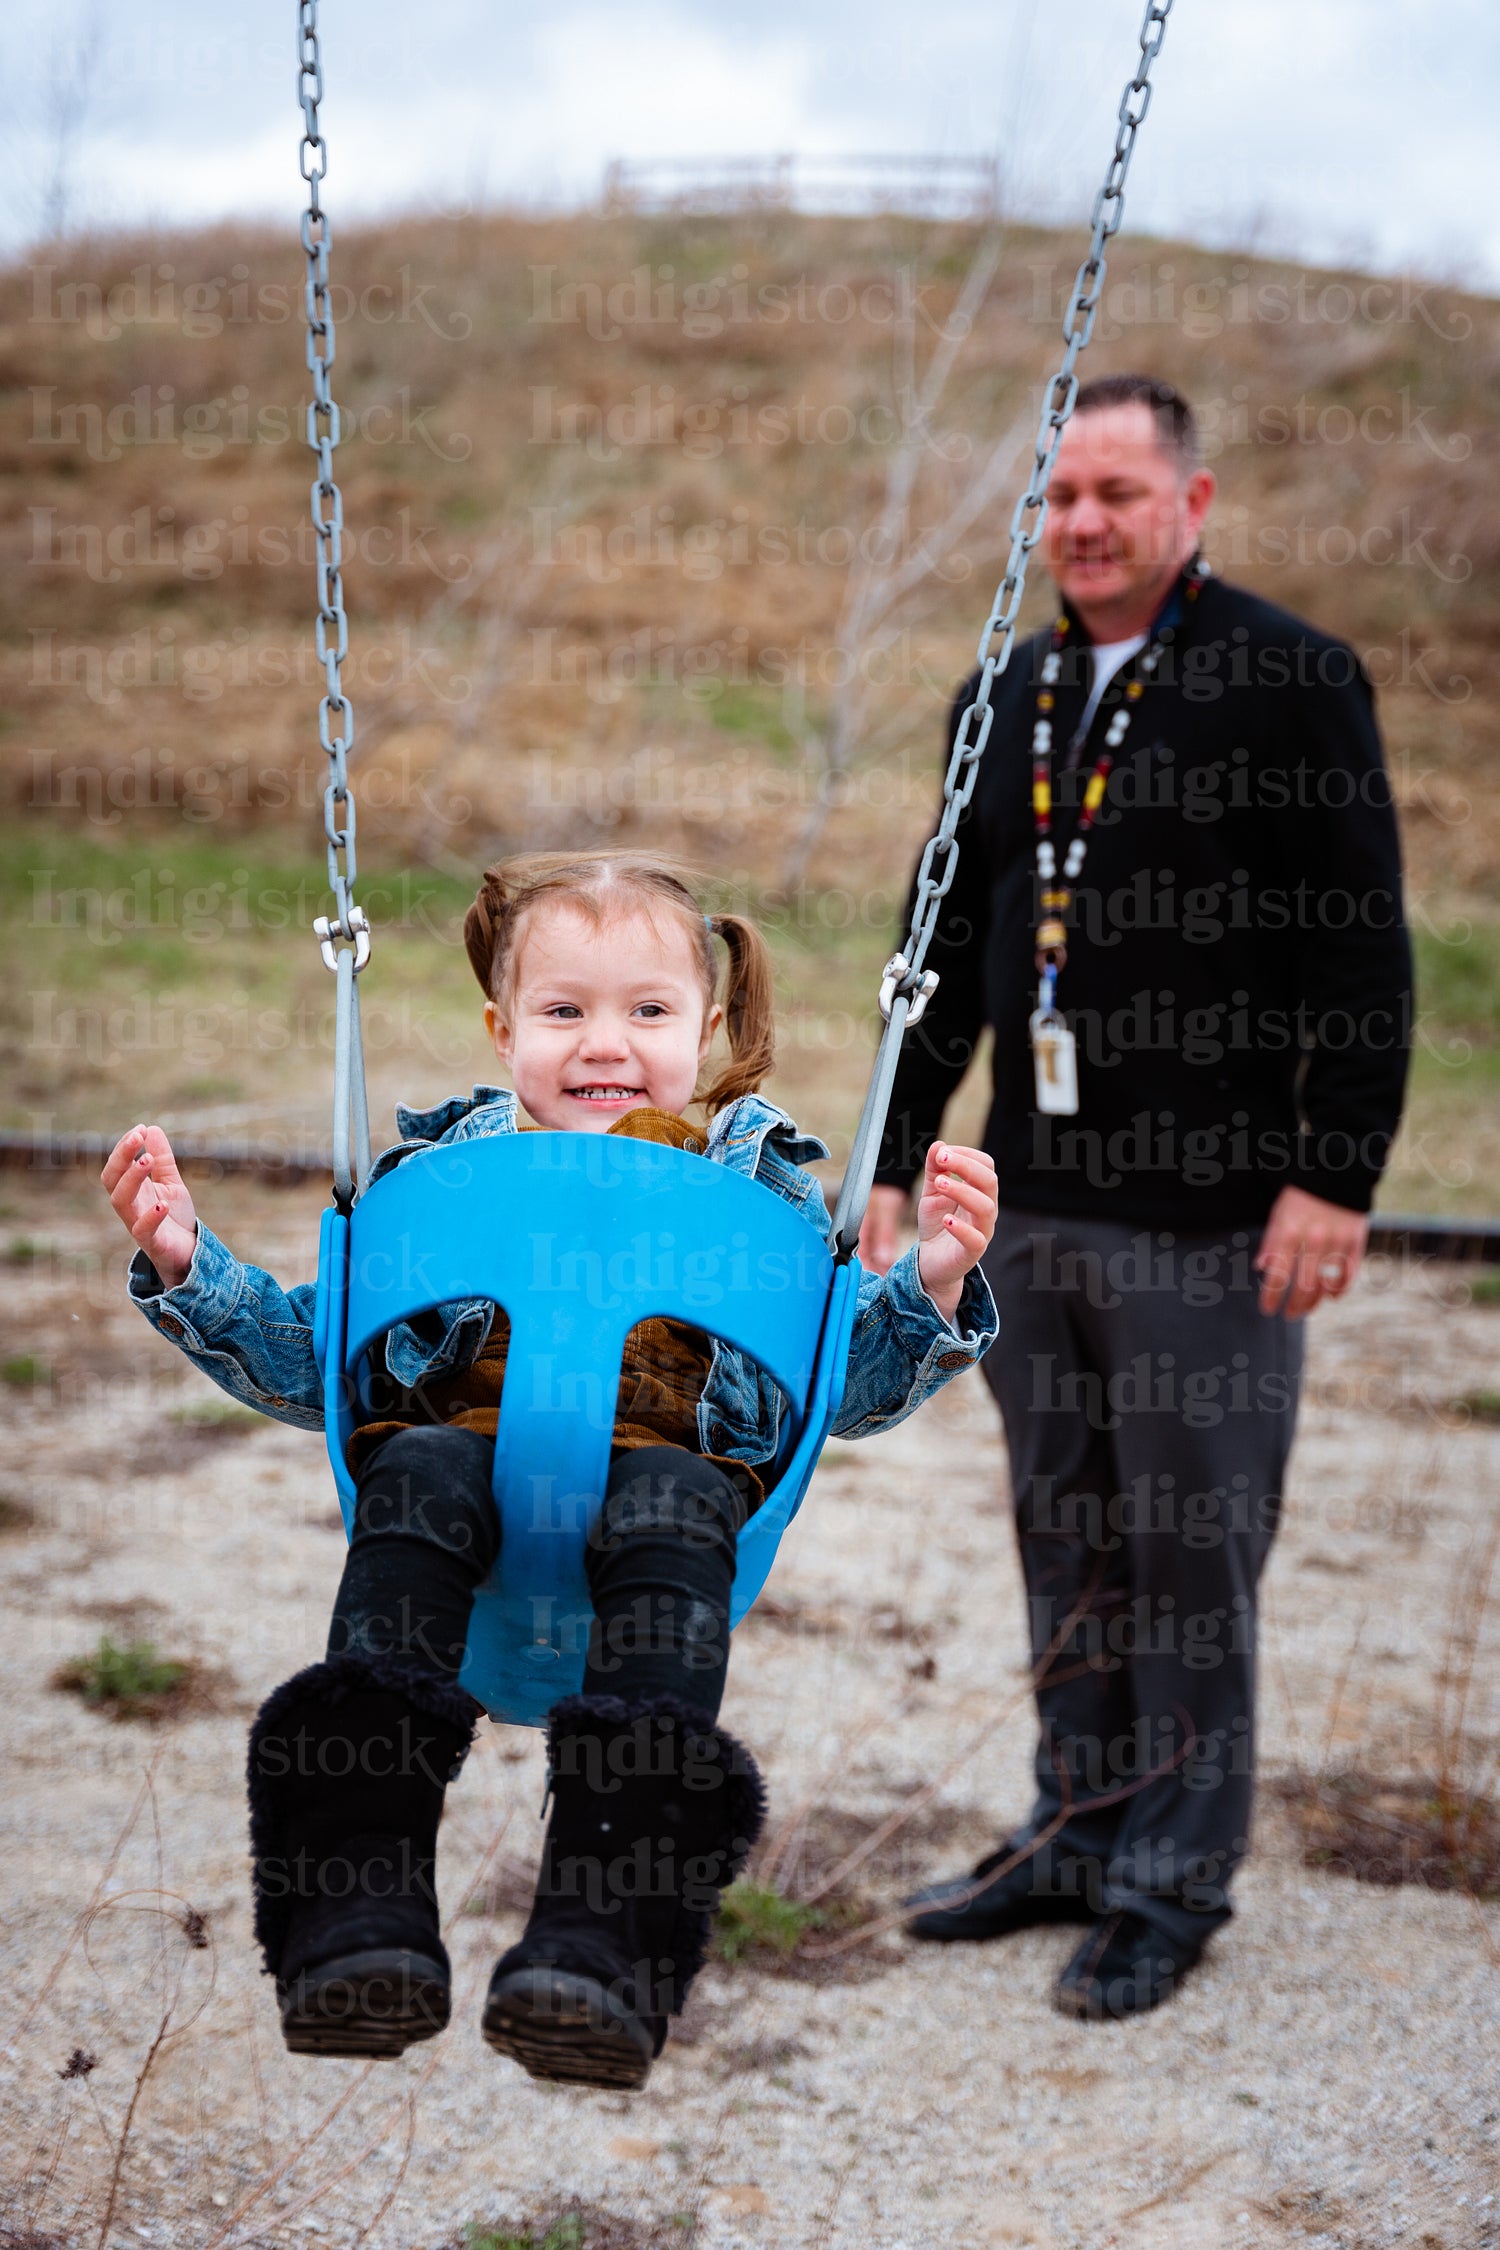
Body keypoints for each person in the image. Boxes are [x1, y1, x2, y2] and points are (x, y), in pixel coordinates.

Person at [103, 851, 999, 2089]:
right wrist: (192, 1263)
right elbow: (323, 1367)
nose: (605, 1044)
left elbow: (832, 1396)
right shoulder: (437, 1170)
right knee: (414, 1459)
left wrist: (932, 1286)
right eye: (564, 1010)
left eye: (648, 1011)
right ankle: (351, 1917)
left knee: (681, 1495)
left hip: (663, 1519)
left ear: (709, 1025)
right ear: (501, 1025)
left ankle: (604, 1948)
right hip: (459, 1500)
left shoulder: (761, 1185)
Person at [861, 373, 1412, 2020]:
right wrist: (896, 1152)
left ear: (1194, 502)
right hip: (1032, 1207)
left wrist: (1337, 1168)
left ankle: (1174, 1879)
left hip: (1215, 1217)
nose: (1083, 522)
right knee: (1068, 1538)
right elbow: (942, 946)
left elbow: (1360, 945)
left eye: (1116, 491)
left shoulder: (1290, 679)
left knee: (1189, 1553)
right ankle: (1077, 1832)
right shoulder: (1003, 693)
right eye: (1059, 497)